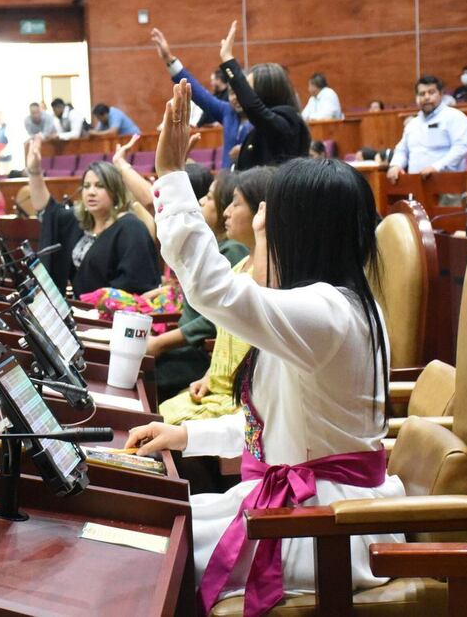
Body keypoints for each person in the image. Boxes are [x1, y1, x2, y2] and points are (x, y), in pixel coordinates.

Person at [125, 80, 403, 613]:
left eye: (266, 225)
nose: (259, 233)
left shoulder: (326, 311)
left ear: (299, 237)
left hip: (329, 526)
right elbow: (277, 425)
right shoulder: (326, 305)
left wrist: (172, 175)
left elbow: (214, 290)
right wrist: (186, 434)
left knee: (153, 559)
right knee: (156, 530)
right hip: (301, 502)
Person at [156, 166, 273, 426]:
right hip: (216, 390)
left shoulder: (271, 274)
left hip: (239, 404)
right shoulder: (239, 265)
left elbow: (259, 326)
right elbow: (226, 338)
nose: (226, 212)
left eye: (236, 204)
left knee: (158, 425)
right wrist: (210, 374)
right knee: (154, 415)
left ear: (261, 212)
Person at [145, 169, 252, 399]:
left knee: (144, 374)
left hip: (200, 352)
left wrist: (160, 343)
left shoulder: (233, 250)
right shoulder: (220, 247)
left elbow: (214, 318)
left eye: (210, 197)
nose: (202, 201)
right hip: (187, 347)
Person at [25, 135, 159, 297]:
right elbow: (47, 211)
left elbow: (136, 284)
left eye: (99, 186)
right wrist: (34, 171)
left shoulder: (130, 228)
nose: (91, 192)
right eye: (86, 186)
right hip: (79, 307)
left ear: (115, 190)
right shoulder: (79, 221)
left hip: (113, 310)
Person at [152, 27, 252, 170]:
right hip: (226, 181)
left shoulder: (264, 116)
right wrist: (169, 59)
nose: (235, 98)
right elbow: (198, 92)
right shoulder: (228, 111)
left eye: (239, 92)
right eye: (231, 93)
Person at [218, 21, 311, 169]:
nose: (244, 95)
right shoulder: (263, 126)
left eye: (249, 89)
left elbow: (253, 107)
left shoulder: (288, 120)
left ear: (266, 91)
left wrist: (228, 59)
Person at [387, 75, 467, 183]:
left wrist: (436, 167)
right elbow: (402, 150)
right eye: (422, 94)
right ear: (417, 98)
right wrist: (395, 165)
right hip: (415, 185)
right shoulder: (412, 124)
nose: (426, 97)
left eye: (431, 92)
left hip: (448, 184)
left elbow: (460, 148)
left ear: (441, 94)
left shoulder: (455, 117)